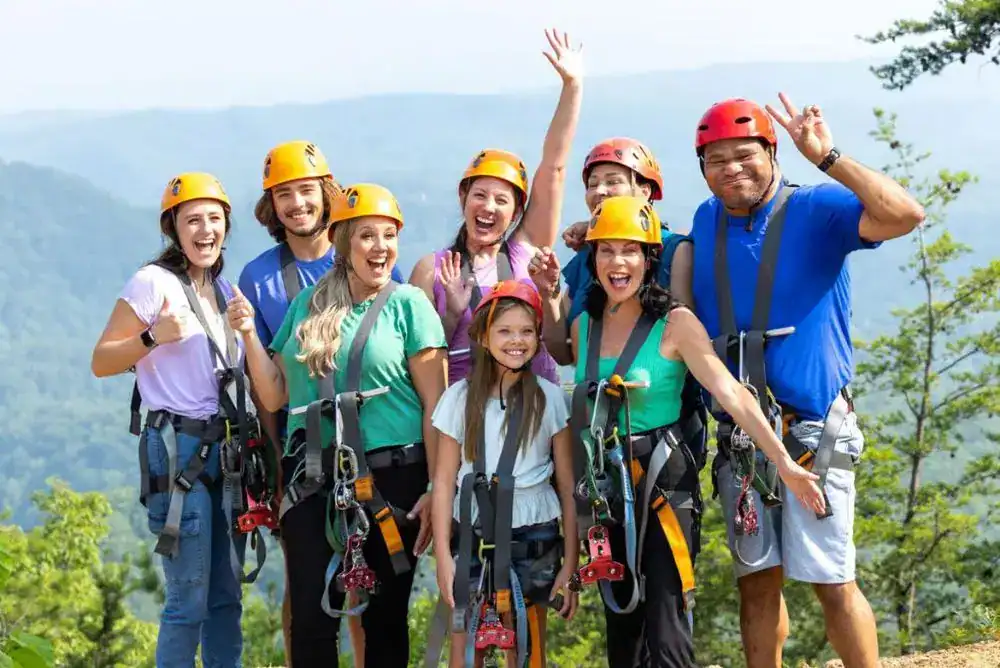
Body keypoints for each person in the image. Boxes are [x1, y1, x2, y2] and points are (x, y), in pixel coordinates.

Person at [529, 194, 825, 668]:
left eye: (629, 251)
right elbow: (560, 350)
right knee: (622, 627)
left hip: (662, 488)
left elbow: (731, 394)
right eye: (606, 251)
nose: (616, 262)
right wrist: (548, 296)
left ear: (649, 260)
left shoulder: (675, 324)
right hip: (606, 487)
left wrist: (784, 463)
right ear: (593, 259)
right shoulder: (585, 324)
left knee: (666, 623)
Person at [689, 94, 925, 668]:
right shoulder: (705, 219)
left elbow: (905, 215)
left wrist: (829, 157)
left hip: (815, 428)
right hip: (743, 435)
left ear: (772, 152)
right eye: (716, 159)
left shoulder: (816, 209)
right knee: (757, 581)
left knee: (831, 578)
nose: (731, 169)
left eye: (745, 154)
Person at [228, 182, 447, 667]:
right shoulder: (308, 305)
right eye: (368, 235)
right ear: (345, 242)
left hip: (395, 479)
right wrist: (246, 335)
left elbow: (437, 407)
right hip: (313, 480)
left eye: (389, 235)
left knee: (385, 620)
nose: (381, 247)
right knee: (310, 619)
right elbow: (274, 393)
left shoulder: (410, 306)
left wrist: (437, 487)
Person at [237, 139, 390, 665]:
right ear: (271, 205)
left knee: (368, 582)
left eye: (306, 191)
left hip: (369, 435)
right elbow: (265, 382)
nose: (298, 204)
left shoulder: (359, 251)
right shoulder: (259, 277)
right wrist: (273, 462)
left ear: (327, 195)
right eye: (284, 195)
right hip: (300, 445)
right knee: (305, 586)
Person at [91, 172, 249, 667]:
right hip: (177, 448)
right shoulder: (152, 283)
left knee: (226, 598)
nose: (205, 230)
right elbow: (101, 361)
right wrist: (151, 337)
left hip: (225, 452)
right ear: (174, 230)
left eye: (214, 219)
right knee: (188, 600)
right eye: (192, 220)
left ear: (226, 225)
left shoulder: (224, 290)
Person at [409, 28, 583, 387]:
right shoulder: (431, 270)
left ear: (517, 212)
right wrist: (453, 313)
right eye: (479, 195)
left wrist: (572, 87)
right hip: (463, 415)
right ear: (463, 199)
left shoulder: (526, 250)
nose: (488, 207)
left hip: (533, 410)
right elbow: (418, 360)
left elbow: (553, 167)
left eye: (502, 200)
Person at [430, 279, 580, 667]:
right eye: (505, 331)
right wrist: (443, 559)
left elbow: (566, 486)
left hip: (533, 534)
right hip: (473, 534)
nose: (517, 341)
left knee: (528, 650)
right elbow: (444, 482)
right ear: (482, 336)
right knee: (465, 650)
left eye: (527, 331)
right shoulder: (458, 399)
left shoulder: (549, 398)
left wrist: (570, 561)